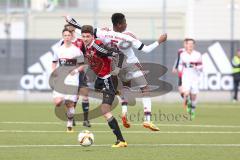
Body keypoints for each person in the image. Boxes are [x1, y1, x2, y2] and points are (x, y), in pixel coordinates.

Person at [65, 13, 167, 131]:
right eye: (124, 22)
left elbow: (81, 29)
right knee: (145, 88)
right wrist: (159, 41)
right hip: (130, 63)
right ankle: (147, 119)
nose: (126, 24)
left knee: (125, 87)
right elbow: (146, 49)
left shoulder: (103, 33)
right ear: (119, 25)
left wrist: (69, 19)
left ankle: (124, 113)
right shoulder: (127, 37)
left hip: (115, 65)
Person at [79, 25, 127, 147]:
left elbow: (119, 54)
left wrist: (117, 69)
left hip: (108, 79)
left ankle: (121, 141)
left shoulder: (98, 46)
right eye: (83, 36)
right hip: (100, 79)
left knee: (104, 110)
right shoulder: (83, 46)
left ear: (92, 36)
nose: (85, 38)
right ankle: (119, 93)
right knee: (99, 100)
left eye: (88, 36)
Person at [52, 24, 91, 127]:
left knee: (85, 95)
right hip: (64, 76)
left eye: (71, 31)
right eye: (66, 33)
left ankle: (86, 120)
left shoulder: (80, 42)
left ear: (73, 32)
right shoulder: (60, 45)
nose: (68, 35)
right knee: (72, 98)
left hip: (78, 72)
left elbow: (84, 57)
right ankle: (71, 117)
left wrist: (79, 69)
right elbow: (56, 60)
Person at [178, 38, 202, 119]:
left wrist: (197, 67)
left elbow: (201, 66)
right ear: (186, 45)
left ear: (194, 45)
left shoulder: (198, 54)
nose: (190, 45)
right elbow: (180, 66)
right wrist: (180, 75)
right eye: (189, 43)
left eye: (192, 44)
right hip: (186, 77)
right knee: (186, 93)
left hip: (195, 77)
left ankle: (193, 108)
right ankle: (188, 105)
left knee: (194, 95)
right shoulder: (182, 55)